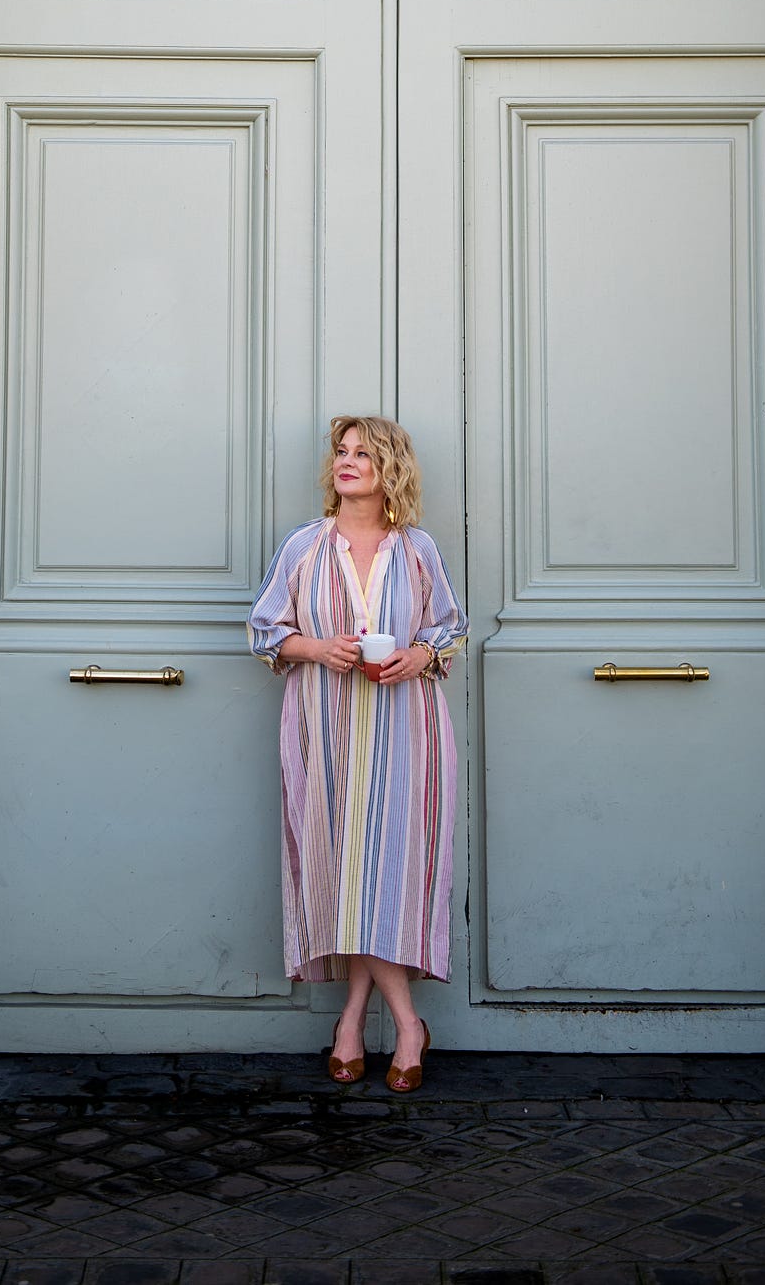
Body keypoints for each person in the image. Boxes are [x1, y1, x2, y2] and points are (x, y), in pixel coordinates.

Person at [247, 415, 467, 1091]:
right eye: (340, 453)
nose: (347, 463)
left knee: (387, 875)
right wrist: (318, 648)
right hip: (327, 728)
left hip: (407, 730)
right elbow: (262, 629)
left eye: (363, 454)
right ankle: (404, 1024)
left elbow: (450, 626)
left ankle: (356, 1024)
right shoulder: (304, 547)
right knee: (346, 871)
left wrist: (421, 654)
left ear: (389, 467)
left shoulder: (417, 549)